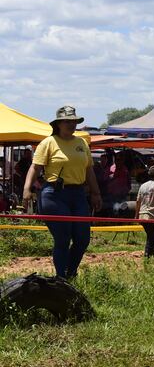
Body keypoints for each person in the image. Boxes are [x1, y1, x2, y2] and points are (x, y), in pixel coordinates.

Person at [22, 105, 101, 279]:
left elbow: (89, 170)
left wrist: (96, 193)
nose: (71, 124)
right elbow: (35, 167)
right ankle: (61, 278)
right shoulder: (48, 143)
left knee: (82, 239)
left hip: (79, 194)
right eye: (67, 121)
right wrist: (27, 189)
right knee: (63, 239)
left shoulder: (81, 143)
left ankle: (69, 274)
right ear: (58, 123)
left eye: (73, 121)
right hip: (54, 194)